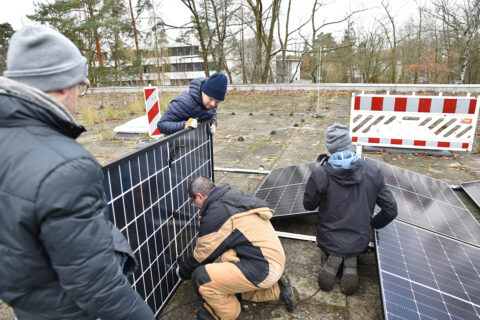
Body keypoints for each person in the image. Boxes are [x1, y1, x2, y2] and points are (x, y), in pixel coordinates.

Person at [0, 26, 154, 319]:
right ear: (59, 85)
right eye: (79, 86)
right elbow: (97, 285)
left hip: (29, 300)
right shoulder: (66, 167)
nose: (78, 97)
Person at [177, 176, 298, 320]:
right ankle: (279, 291)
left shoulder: (217, 214)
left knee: (201, 277)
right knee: (226, 260)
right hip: (272, 256)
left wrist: (181, 272)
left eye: (193, 201)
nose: (195, 205)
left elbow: (201, 256)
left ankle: (231, 315)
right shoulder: (233, 196)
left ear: (199, 196)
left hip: (264, 267)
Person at [303, 123, 398, 295]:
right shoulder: (372, 171)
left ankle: (335, 259)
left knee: (335, 243)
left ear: (329, 147)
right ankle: (350, 262)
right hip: (359, 239)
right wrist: (371, 224)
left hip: (328, 239)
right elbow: (391, 210)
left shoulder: (321, 174)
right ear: (350, 143)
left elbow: (308, 205)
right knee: (352, 244)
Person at [157, 72, 227, 135]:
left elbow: (212, 114)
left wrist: (214, 123)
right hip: (177, 146)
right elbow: (162, 125)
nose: (213, 104)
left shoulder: (212, 104)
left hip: (199, 145)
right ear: (203, 91)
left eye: (217, 101)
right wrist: (184, 125)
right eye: (210, 99)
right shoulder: (182, 103)